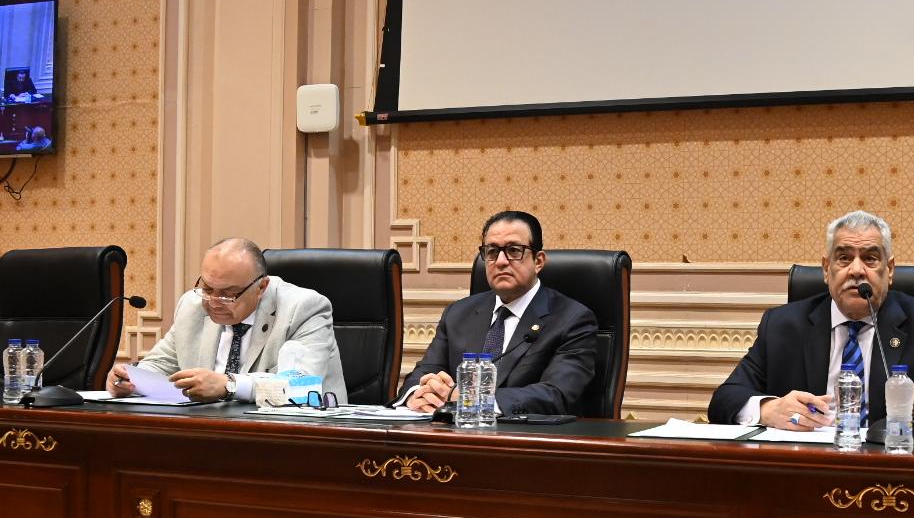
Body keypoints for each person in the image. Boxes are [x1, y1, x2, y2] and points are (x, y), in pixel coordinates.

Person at [709, 210, 914, 430]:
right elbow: (725, 399)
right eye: (844, 258)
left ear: (889, 270)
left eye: (870, 258)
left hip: (892, 463)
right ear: (826, 269)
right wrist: (769, 410)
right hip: (807, 465)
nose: (856, 270)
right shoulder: (781, 326)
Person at [400, 210, 597, 415]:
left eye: (514, 250)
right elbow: (424, 372)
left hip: (524, 433)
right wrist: (418, 394)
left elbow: (556, 394)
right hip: (453, 430)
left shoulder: (572, 319)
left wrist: (472, 398)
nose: (501, 261)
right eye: (492, 251)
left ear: (538, 261)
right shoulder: (458, 313)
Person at [107, 237, 347, 402]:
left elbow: (301, 385)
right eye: (207, 288)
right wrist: (130, 378)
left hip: (295, 436)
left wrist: (228, 385)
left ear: (261, 287)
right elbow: (161, 363)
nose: (213, 301)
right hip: (212, 432)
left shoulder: (303, 308)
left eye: (228, 294)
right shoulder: (192, 306)